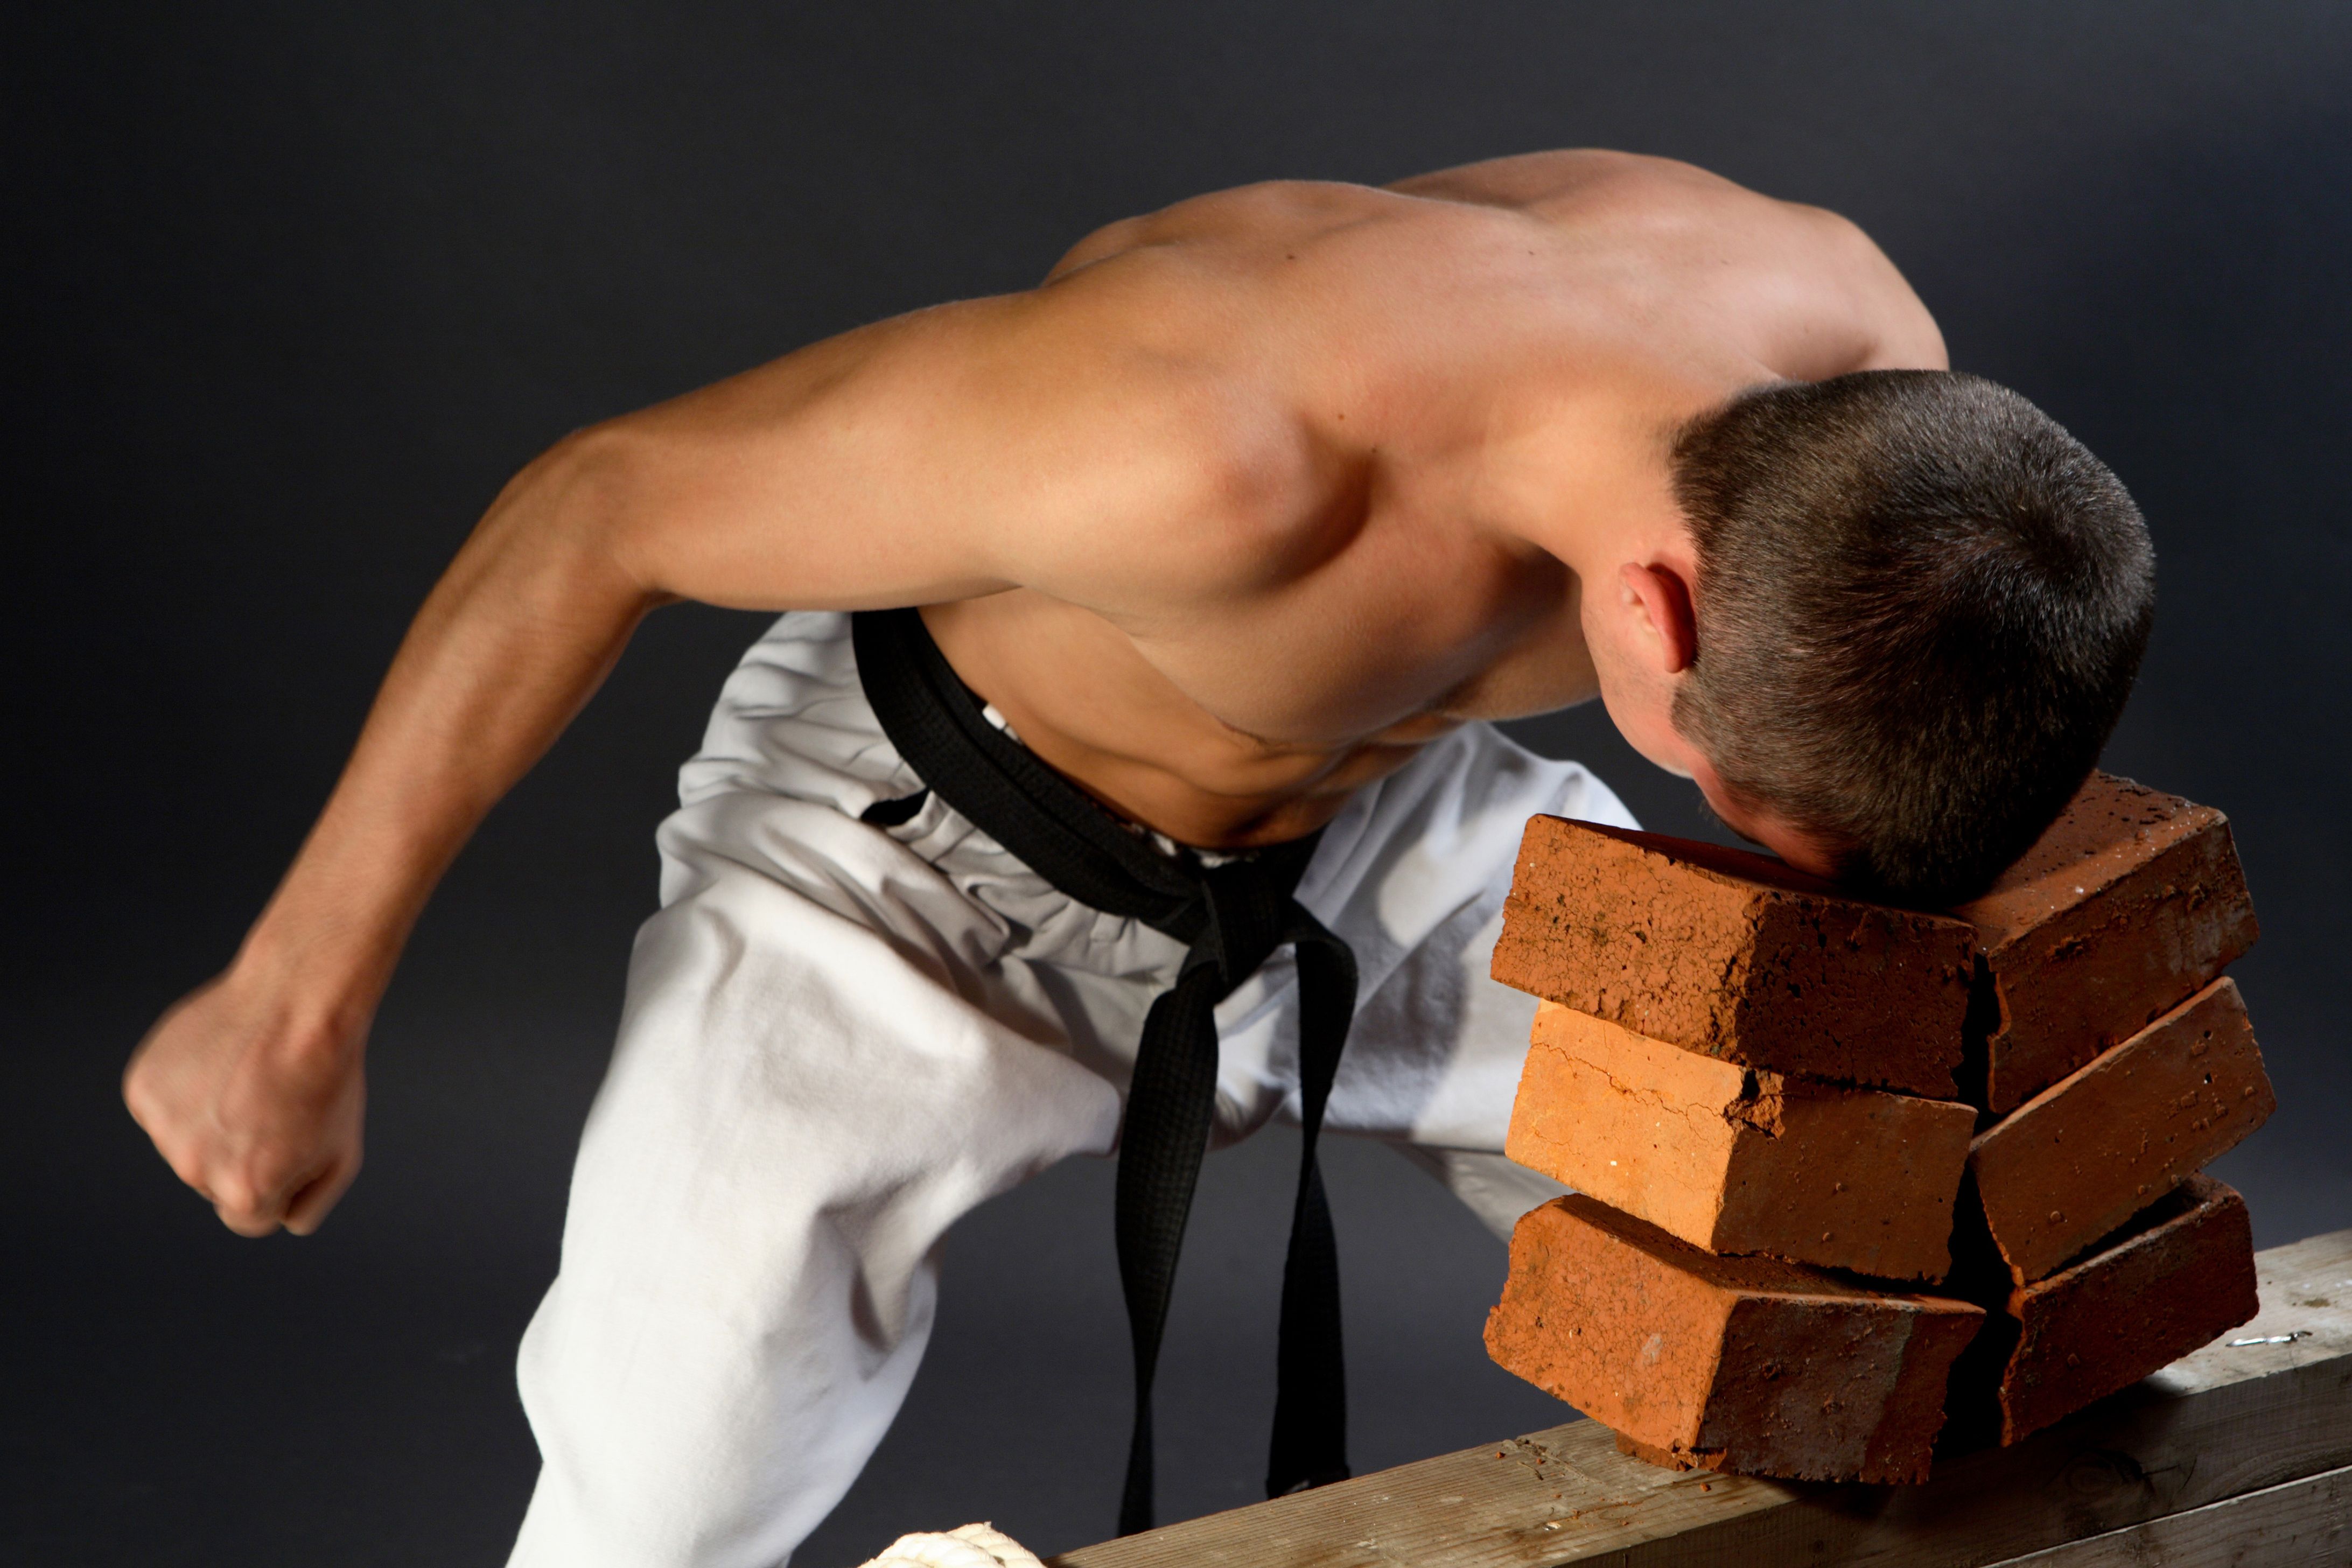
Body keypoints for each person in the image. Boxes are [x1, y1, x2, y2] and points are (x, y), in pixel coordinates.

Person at [122, 149, 2154, 1566]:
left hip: (1380, 834)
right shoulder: (1192, 440)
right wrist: (293, 1001)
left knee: (1844, 1259)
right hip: (916, 873)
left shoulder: (1855, 348)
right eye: (1728, 790)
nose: (1730, 831)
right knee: (660, 1497)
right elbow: (597, 505)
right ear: (1663, 610)